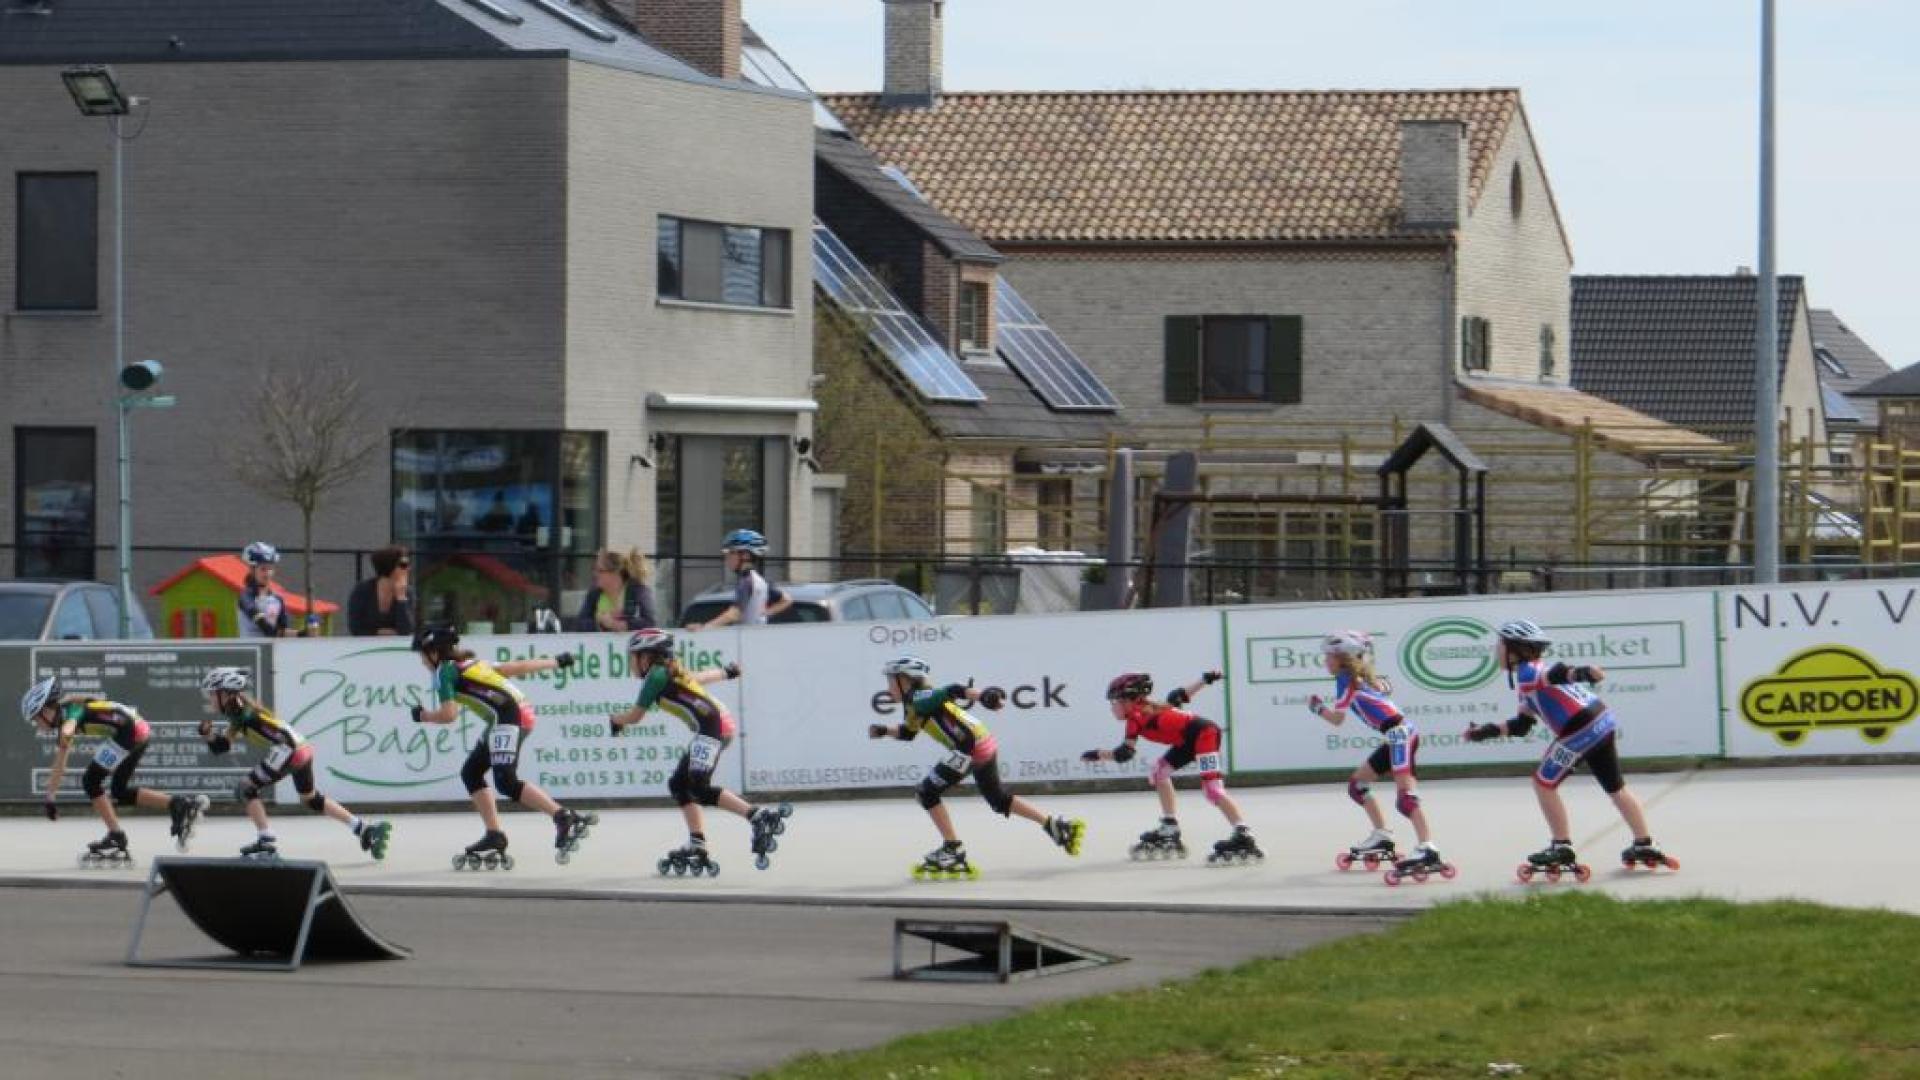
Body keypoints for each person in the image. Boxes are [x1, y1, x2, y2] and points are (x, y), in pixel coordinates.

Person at [1463, 620, 1678, 880]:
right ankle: (1644, 843)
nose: (1495, 650)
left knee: (1543, 783)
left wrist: (1584, 672)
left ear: (1516, 650)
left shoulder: (1528, 671)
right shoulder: (1528, 679)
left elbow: (1560, 673)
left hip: (1581, 727)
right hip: (1601, 721)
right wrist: (1485, 731)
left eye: (1499, 645)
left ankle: (1561, 846)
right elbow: (1521, 725)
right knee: (1616, 788)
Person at [868, 656, 1085, 880]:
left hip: (969, 747)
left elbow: (954, 689)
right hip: (982, 742)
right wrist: (884, 731)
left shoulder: (919, 696)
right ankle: (1054, 825)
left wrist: (983, 696)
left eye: (890, 681)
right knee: (998, 799)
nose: (888, 688)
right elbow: (908, 732)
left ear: (905, 680)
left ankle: (952, 849)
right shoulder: (912, 704)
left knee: (926, 793)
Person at [407, 625, 596, 869]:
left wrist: (423, 716)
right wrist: (555, 662)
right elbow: (515, 667)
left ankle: (562, 816)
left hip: (508, 717)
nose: (422, 661)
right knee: (471, 772)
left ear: (434, 653)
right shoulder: (470, 663)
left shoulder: (444, 672)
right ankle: (494, 834)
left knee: (506, 781)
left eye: (422, 655)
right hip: (515, 712)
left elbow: (449, 714)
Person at [608, 628, 790, 875]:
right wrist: (725, 672)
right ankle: (697, 841)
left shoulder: (655, 677)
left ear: (647, 656)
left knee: (698, 787)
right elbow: (697, 678)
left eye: (633, 657)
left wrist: (615, 720)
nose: (631, 663)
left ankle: (758, 816)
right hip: (715, 724)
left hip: (713, 727)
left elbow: (635, 716)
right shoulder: (668, 670)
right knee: (679, 784)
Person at [197, 667, 392, 860]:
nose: (210, 699)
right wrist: (208, 735)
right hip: (302, 748)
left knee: (245, 789)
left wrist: (281, 753)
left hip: (289, 749)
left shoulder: (247, 715)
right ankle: (363, 829)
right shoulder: (240, 713)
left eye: (213, 694)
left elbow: (279, 735)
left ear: (227, 694)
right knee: (311, 799)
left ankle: (266, 841)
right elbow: (222, 746)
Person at [1310, 630, 1450, 883]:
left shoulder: (1346, 680)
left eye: (1329, 656)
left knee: (1406, 799)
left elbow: (1338, 720)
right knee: (1357, 786)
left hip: (1400, 735)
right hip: (1396, 735)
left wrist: (1317, 708)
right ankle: (1382, 836)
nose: (1325, 661)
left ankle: (1428, 848)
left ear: (1343, 658)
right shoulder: (1357, 677)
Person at [20, 676, 208, 863]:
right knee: (119, 791)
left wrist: (50, 798)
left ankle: (116, 836)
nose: (37, 725)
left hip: (130, 731)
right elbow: (84, 702)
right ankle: (179, 804)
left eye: (36, 718)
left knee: (91, 781)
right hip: (138, 728)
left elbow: (62, 755)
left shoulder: (69, 718)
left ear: (47, 710)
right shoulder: (68, 707)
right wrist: (50, 796)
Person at [1082, 669, 1261, 864]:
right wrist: (1204, 679)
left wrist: (1098, 754)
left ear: (1128, 700)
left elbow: (1124, 754)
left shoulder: (1137, 716)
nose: (1112, 707)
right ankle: (1169, 826)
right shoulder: (1151, 707)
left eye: (1114, 702)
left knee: (1212, 790)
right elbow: (1180, 695)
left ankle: (1243, 834)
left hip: (1205, 735)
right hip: (1186, 741)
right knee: (1158, 772)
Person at [687, 528, 790, 630]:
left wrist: (704, 628)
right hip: (757, 635)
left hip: (745, 637)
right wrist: (763, 614)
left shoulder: (746, 581)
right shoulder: (760, 581)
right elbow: (786, 600)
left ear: (745, 555)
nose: (726, 557)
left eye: (731, 552)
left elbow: (734, 614)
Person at [576, 548, 656, 633]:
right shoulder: (594, 594)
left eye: (600, 571)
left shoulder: (638, 591)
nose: (595, 574)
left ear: (615, 573)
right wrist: (601, 622)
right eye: (594, 569)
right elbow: (579, 624)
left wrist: (621, 625)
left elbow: (650, 622)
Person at [347, 546, 414, 637]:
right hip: (366, 643)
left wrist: (401, 598)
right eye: (404, 565)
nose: (409, 568)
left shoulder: (407, 592)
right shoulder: (362, 590)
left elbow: (406, 630)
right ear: (390, 566)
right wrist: (378, 632)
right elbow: (355, 627)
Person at [236, 541, 293, 638]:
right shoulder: (246, 597)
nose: (267, 574)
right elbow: (267, 629)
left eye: (270, 569)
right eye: (263, 569)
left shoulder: (278, 600)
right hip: (252, 647)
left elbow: (283, 631)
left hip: (273, 647)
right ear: (252, 570)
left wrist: (303, 634)